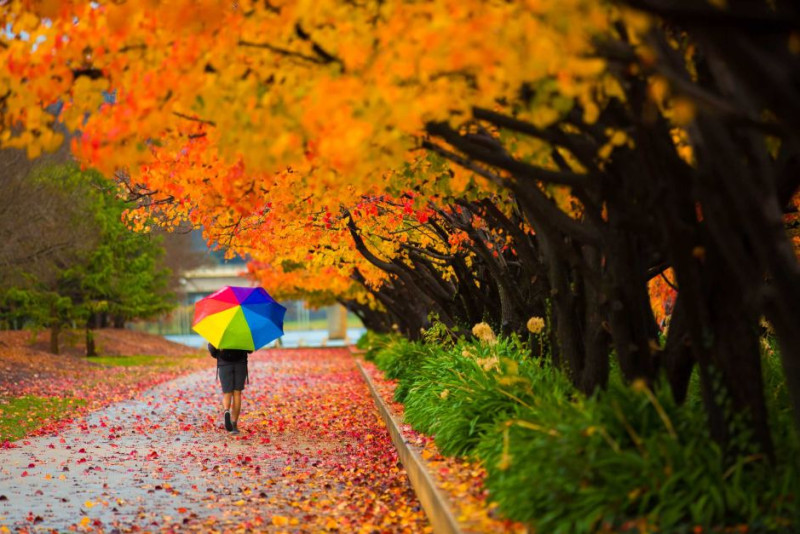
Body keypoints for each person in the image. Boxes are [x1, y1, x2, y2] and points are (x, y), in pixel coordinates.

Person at [208, 343, 251, 435]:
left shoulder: (221, 330)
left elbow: (211, 348)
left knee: (227, 393)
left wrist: (218, 355)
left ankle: (226, 411)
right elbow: (250, 349)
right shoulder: (243, 331)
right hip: (240, 363)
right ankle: (234, 424)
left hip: (224, 364)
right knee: (237, 393)